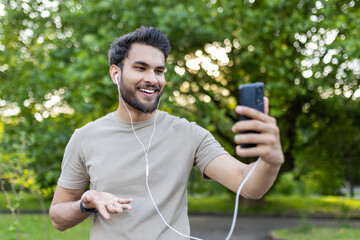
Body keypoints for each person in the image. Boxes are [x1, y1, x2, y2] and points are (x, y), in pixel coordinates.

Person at [49, 26, 284, 240]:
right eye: (140, 68)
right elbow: (58, 218)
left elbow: (249, 185)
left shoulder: (189, 134)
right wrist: (85, 204)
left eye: (159, 71)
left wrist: (270, 161)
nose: (151, 79)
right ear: (115, 73)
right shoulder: (85, 137)